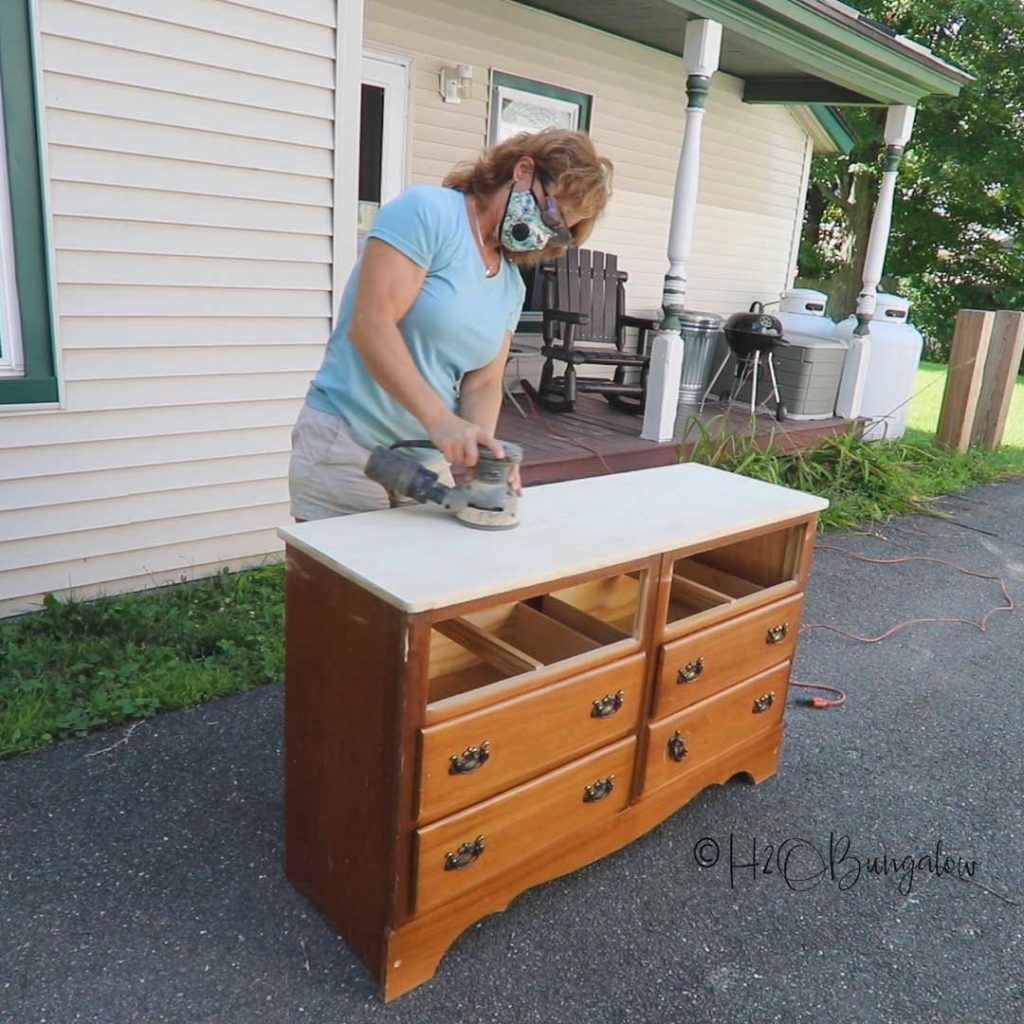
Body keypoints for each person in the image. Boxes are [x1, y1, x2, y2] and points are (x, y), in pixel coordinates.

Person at [288, 128, 614, 522]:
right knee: (345, 583)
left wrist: (484, 457)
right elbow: (370, 324)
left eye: (561, 229)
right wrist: (441, 421)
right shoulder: (428, 212)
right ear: (524, 171)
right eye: (551, 213)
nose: (548, 232)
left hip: (424, 465)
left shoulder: (510, 284)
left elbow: (484, 382)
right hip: (347, 445)